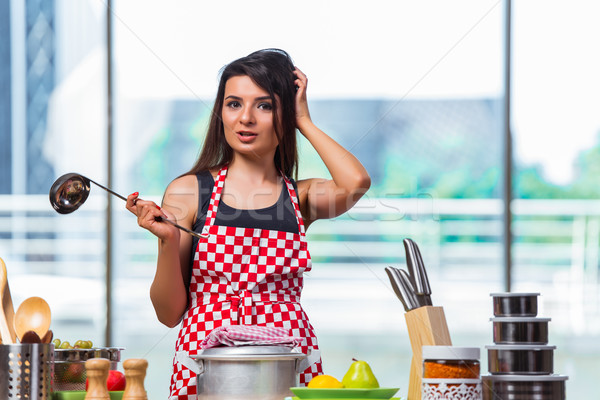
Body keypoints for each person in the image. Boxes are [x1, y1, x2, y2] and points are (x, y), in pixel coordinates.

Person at [126, 48, 371, 400]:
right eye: (234, 104)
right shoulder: (189, 192)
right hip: (206, 366)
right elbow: (168, 314)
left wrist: (303, 120)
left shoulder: (300, 198)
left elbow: (355, 183)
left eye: (265, 105)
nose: (246, 119)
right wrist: (166, 240)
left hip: (287, 361)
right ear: (220, 113)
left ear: (283, 114)